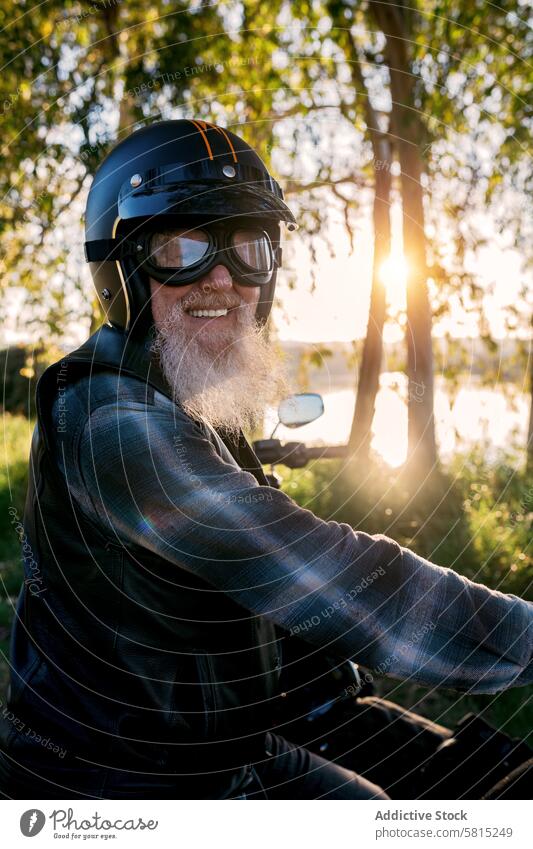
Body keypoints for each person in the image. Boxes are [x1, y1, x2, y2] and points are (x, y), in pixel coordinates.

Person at [0, 119, 531, 800]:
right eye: (183, 245)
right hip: (116, 776)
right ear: (124, 266)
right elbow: (317, 571)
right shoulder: (114, 425)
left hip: (210, 738)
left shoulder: (178, 393)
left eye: (248, 246)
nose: (222, 277)